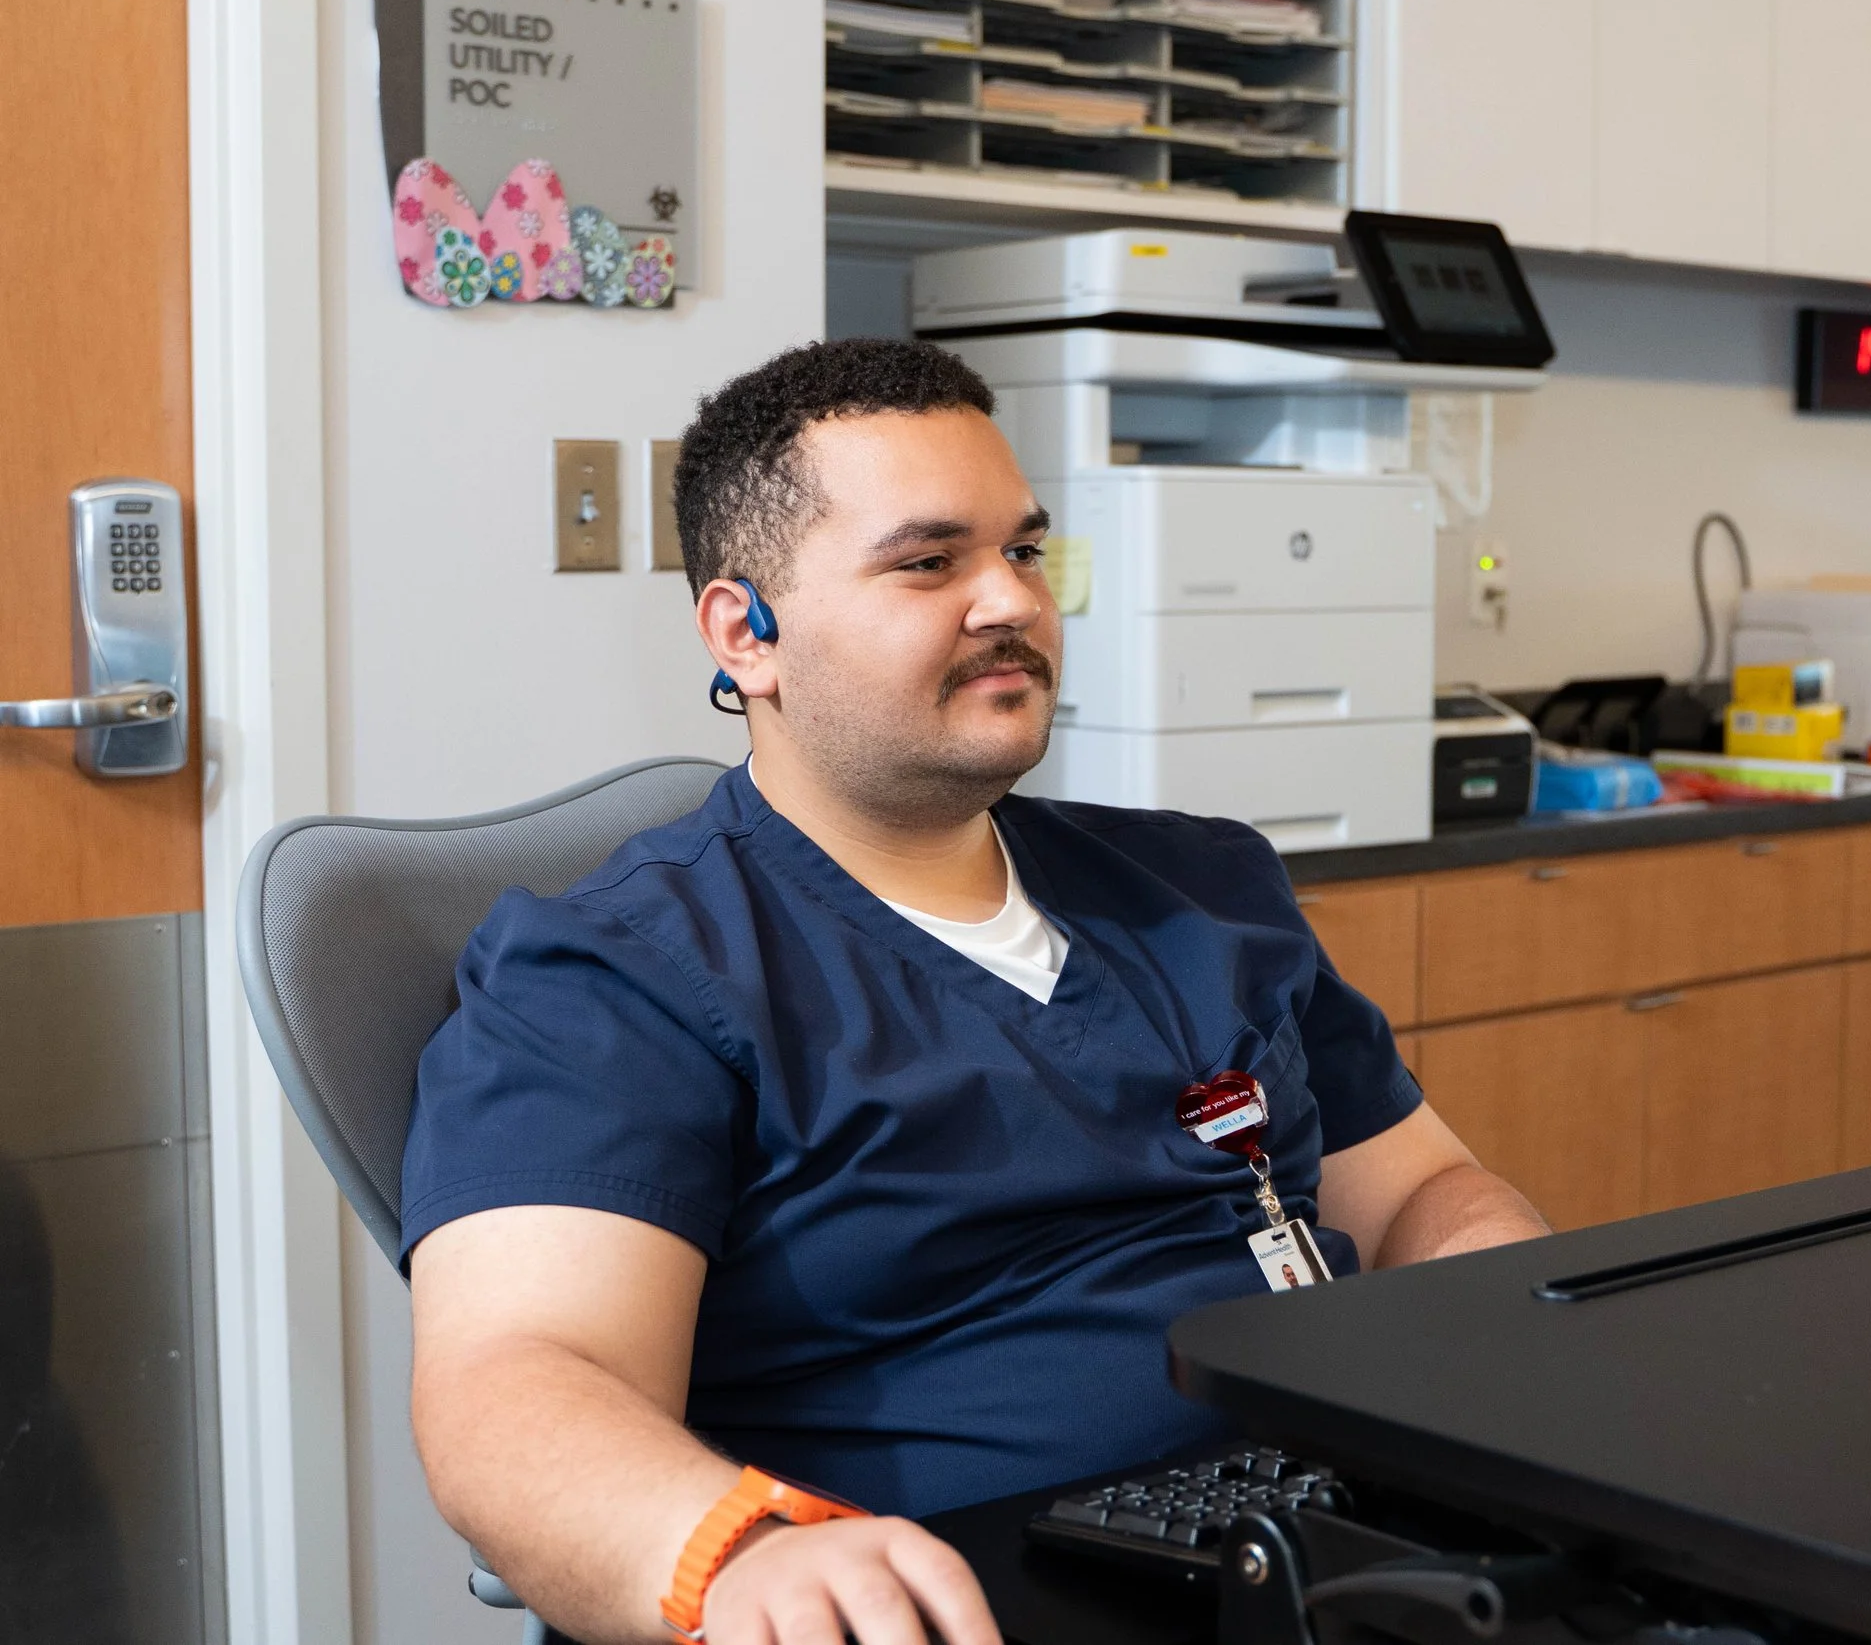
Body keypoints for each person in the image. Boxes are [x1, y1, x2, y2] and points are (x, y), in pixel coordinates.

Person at [401, 337, 1548, 1645]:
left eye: (1025, 550)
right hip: (971, 1598)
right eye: (928, 562)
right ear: (745, 632)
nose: (1011, 599)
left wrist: (1506, 1321)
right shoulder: (615, 974)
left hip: (1348, 1537)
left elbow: (1421, 1192)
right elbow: (516, 1387)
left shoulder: (1203, 888)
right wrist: (735, 1560)